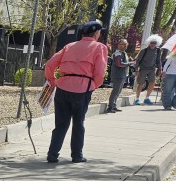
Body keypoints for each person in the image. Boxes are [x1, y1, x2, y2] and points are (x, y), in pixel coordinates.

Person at [44, 20, 108, 164]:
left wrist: (52, 80)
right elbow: (99, 72)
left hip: (62, 86)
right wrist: (94, 85)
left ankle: (52, 154)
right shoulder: (99, 47)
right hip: (82, 88)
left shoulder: (69, 46)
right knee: (78, 123)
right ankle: (76, 155)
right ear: (97, 33)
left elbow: (50, 64)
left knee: (61, 123)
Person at [133, 35, 162, 105]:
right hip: (143, 69)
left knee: (152, 83)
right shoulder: (144, 50)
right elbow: (138, 60)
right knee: (141, 83)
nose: (153, 44)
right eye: (152, 42)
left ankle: (147, 98)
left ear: (157, 43)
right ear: (149, 42)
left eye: (154, 43)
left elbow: (158, 60)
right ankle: (137, 98)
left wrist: (160, 69)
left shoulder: (158, 50)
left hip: (152, 69)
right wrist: (136, 69)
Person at [107, 39, 131, 112]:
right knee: (115, 91)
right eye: (122, 44)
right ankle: (110, 107)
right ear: (119, 45)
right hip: (117, 75)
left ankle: (113, 106)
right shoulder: (118, 53)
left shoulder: (124, 53)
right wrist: (129, 63)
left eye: (125, 44)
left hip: (122, 75)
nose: (124, 46)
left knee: (118, 91)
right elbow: (119, 64)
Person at [161, 44, 176, 110]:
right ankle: (167, 105)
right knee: (168, 90)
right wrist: (164, 71)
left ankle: (174, 103)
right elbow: (166, 65)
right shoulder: (172, 57)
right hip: (170, 75)